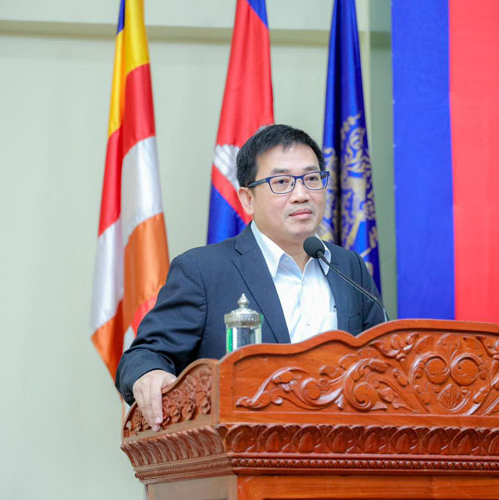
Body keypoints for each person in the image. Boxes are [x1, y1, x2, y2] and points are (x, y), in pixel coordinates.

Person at [115, 124, 384, 430]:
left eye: (311, 179)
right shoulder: (203, 271)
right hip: (245, 448)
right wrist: (149, 373)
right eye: (281, 182)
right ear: (247, 199)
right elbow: (144, 354)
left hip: (344, 446)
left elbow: (383, 359)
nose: (301, 194)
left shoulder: (348, 266)